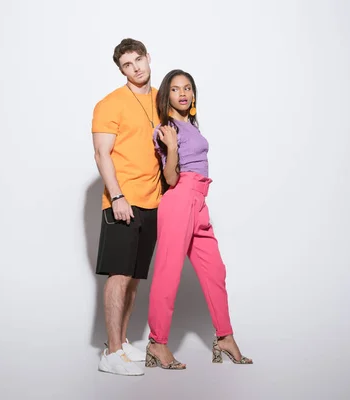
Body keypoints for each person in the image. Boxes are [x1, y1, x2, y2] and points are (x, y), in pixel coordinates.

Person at [145, 70, 253, 369]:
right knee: (169, 272)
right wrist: (171, 148)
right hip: (180, 198)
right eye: (176, 89)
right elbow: (170, 178)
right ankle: (157, 343)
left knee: (215, 270)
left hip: (199, 201)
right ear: (166, 95)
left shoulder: (189, 126)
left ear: (193, 95)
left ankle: (225, 337)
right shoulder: (167, 130)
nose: (183, 93)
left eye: (188, 88)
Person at [91, 38, 162, 376]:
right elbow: (102, 153)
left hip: (153, 201)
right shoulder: (110, 103)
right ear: (121, 71)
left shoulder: (161, 100)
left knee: (134, 278)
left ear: (148, 58)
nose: (136, 69)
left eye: (138, 61)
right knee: (119, 276)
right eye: (127, 66)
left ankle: (120, 342)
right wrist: (117, 196)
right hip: (123, 201)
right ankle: (112, 352)